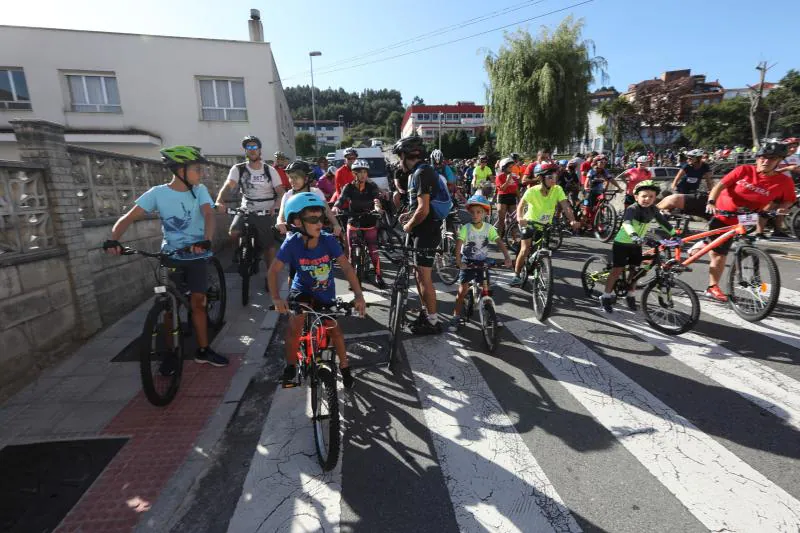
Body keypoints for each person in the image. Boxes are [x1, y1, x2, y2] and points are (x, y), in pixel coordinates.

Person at [105, 145, 228, 370]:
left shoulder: (199, 190)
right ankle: (170, 353)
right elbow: (129, 217)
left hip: (197, 255)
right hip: (170, 255)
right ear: (180, 170)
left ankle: (203, 350)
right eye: (197, 169)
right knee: (169, 306)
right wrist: (113, 239)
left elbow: (208, 214)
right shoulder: (157, 193)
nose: (200, 173)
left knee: (198, 304)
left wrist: (206, 240)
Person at [268, 193, 366, 389]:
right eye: (312, 219)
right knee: (294, 327)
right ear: (296, 221)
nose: (319, 223)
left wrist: (359, 296)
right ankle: (291, 366)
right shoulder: (292, 242)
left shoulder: (328, 240)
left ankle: (345, 367)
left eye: (320, 218)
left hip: (325, 293)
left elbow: (346, 268)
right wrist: (277, 298)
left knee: (335, 330)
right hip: (301, 291)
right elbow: (273, 271)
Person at [703, 141, 796, 302]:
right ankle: (710, 276)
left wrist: (780, 209)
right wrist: (711, 201)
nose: (765, 161)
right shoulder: (744, 170)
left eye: (772, 158)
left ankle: (720, 285)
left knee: (737, 250)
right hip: (722, 216)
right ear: (757, 157)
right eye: (762, 157)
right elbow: (720, 185)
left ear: (779, 161)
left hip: (746, 219)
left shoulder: (784, 181)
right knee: (717, 253)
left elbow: (788, 200)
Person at [215, 135, 285, 291]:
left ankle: (270, 275)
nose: (252, 150)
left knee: (269, 246)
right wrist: (220, 201)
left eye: (255, 147)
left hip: (266, 210)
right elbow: (229, 185)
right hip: (246, 208)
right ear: (246, 151)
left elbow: (281, 192)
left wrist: (276, 205)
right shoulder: (238, 168)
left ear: (259, 150)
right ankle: (241, 253)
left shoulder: (269, 170)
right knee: (233, 231)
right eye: (249, 148)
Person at [599, 180, 677, 313]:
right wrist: (634, 235)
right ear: (636, 197)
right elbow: (627, 223)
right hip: (623, 243)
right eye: (644, 196)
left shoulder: (653, 209)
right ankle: (606, 296)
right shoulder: (632, 208)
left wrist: (675, 234)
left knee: (635, 271)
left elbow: (663, 222)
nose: (647, 199)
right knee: (617, 270)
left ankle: (630, 295)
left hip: (637, 244)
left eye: (651, 196)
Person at [394, 135, 443, 334]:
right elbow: (419, 206)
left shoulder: (422, 173)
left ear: (406, 155)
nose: (399, 162)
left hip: (426, 232)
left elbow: (423, 210)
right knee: (418, 274)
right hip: (421, 230)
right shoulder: (417, 172)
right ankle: (426, 312)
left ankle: (433, 321)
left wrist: (408, 225)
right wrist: (409, 213)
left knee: (424, 277)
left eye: (399, 157)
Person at [509, 163, 580, 287]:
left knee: (543, 249)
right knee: (525, 249)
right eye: (550, 177)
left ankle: (539, 266)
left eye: (555, 176)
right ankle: (516, 275)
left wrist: (572, 220)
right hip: (530, 222)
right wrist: (520, 218)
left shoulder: (557, 189)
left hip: (545, 224)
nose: (554, 179)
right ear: (541, 178)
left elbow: (565, 206)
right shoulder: (532, 191)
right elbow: (521, 205)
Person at [449, 194, 512, 331]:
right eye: (472, 212)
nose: (475, 215)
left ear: (484, 213)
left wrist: (507, 256)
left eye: (479, 212)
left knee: (486, 290)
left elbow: (499, 242)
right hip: (468, 262)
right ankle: (455, 316)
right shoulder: (466, 228)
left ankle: (491, 314)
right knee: (462, 291)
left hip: (482, 262)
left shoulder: (488, 228)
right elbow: (459, 245)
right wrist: (459, 262)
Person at [333, 159, 387, 289]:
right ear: (354, 174)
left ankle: (378, 275)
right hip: (353, 220)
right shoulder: (349, 187)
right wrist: (336, 207)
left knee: (374, 251)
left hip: (369, 220)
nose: (363, 175)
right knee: (351, 252)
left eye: (364, 172)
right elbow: (341, 199)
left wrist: (378, 207)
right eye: (359, 172)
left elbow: (376, 199)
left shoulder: (371, 186)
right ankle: (353, 280)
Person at [275, 160, 340, 237]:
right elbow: (281, 216)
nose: (291, 181)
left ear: (306, 178)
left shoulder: (316, 192)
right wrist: (280, 223)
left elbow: (328, 212)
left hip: (316, 233)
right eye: (290, 177)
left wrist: (336, 225)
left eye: (295, 177)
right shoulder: (288, 195)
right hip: (294, 236)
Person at [494, 157, 519, 237]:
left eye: (512, 167)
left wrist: (520, 198)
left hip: (512, 197)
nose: (511, 169)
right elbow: (502, 188)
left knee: (513, 220)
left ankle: (514, 239)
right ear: (503, 167)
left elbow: (516, 188)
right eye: (509, 167)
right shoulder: (499, 176)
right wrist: (508, 181)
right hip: (502, 197)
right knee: (501, 220)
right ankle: (499, 239)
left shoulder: (514, 176)